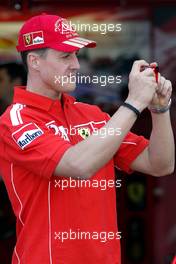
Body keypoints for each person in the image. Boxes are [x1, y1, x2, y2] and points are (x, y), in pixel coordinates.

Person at [0, 13, 174, 264]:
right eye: (65, 56)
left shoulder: (92, 115)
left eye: (76, 56)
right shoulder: (15, 120)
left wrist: (159, 110)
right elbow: (77, 165)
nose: (76, 65)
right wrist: (134, 101)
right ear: (35, 61)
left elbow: (160, 164)